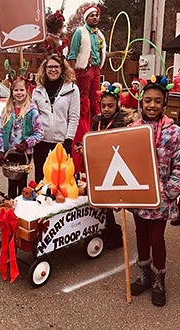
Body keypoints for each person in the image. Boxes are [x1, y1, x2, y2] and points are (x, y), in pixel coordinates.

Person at [129, 76, 180, 307]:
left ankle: (159, 278)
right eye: (147, 100)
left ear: (164, 103)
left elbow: (179, 164)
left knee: (156, 238)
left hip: (161, 197)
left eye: (157, 101)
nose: (152, 105)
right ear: (141, 103)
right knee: (140, 235)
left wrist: (170, 190)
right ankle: (144, 273)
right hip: (138, 195)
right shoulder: (132, 129)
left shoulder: (174, 132)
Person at [67, 4, 128, 174]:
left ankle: (96, 122)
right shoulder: (80, 33)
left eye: (97, 15)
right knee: (83, 99)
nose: (95, 17)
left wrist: (118, 53)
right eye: (91, 15)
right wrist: (71, 73)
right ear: (86, 18)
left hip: (96, 69)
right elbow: (72, 55)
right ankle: (82, 124)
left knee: (95, 98)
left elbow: (102, 54)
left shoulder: (100, 35)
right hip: (83, 70)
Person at [32, 54, 80, 183]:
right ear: (45, 69)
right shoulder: (37, 90)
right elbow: (33, 117)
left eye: (56, 67)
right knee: (41, 180)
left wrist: (68, 139)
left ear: (62, 69)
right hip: (41, 141)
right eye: (50, 67)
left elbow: (74, 117)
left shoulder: (72, 89)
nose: (53, 70)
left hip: (61, 141)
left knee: (60, 180)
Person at [0, 77, 43, 199]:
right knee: (11, 182)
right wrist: (0, 151)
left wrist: (27, 143)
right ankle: (11, 207)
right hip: (10, 152)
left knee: (22, 182)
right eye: (16, 90)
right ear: (11, 92)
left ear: (27, 91)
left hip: (24, 153)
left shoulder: (32, 111)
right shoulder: (7, 110)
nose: (19, 93)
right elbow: (1, 132)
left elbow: (39, 133)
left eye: (22, 90)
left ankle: (22, 206)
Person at [91, 84, 125, 249]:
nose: (106, 109)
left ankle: (116, 235)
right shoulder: (96, 120)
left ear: (117, 105)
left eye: (110, 106)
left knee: (111, 201)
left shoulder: (121, 122)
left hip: (115, 166)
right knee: (102, 200)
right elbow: (91, 139)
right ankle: (106, 229)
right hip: (99, 165)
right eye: (103, 105)